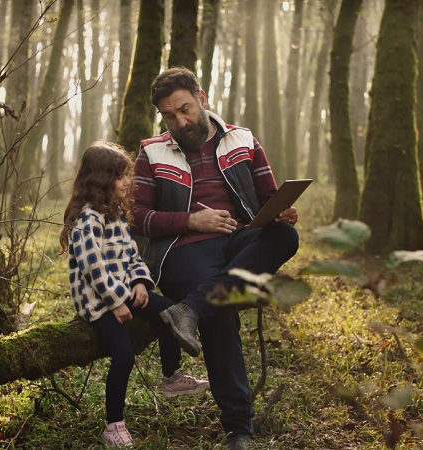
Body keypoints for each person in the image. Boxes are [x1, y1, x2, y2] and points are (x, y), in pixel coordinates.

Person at [131, 67, 300, 449]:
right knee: (220, 311)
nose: (180, 121)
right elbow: (137, 218)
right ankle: (239, 429)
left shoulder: (243, 139)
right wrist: (192, 219)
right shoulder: (151, 151)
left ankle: (189, 308)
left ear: (202, 98)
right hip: (182, 251)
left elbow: (266, 199)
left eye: (185, 109)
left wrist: (281, 212)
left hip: (239, 239)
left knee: (285, 236)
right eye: (170, 116)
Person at [61, 142, 210, 448]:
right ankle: (113, 425)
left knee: (172, 311)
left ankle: (172, 378)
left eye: (127, 175)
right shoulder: (88, 220)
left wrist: (141, 282)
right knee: (123, 355)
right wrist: (116, 302)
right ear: (102, 180)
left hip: (124, 290)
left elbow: (132, 256)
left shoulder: (115, 215)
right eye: (121, 176)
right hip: (97, 301)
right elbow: (94, 269)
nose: (128, 182)